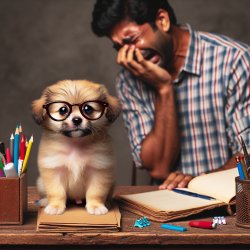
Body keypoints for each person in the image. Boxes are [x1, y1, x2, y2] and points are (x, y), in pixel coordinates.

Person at [91, 0, 250, 189]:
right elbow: (158, 169)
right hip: (165, 207)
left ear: (162, 20)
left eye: (132, 40)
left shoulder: (234, 60)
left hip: (230, 206)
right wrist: (163, 89)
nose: (129, 56)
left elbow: (247, 156)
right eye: (119, 48)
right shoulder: (128, 80)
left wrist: (200, 184)